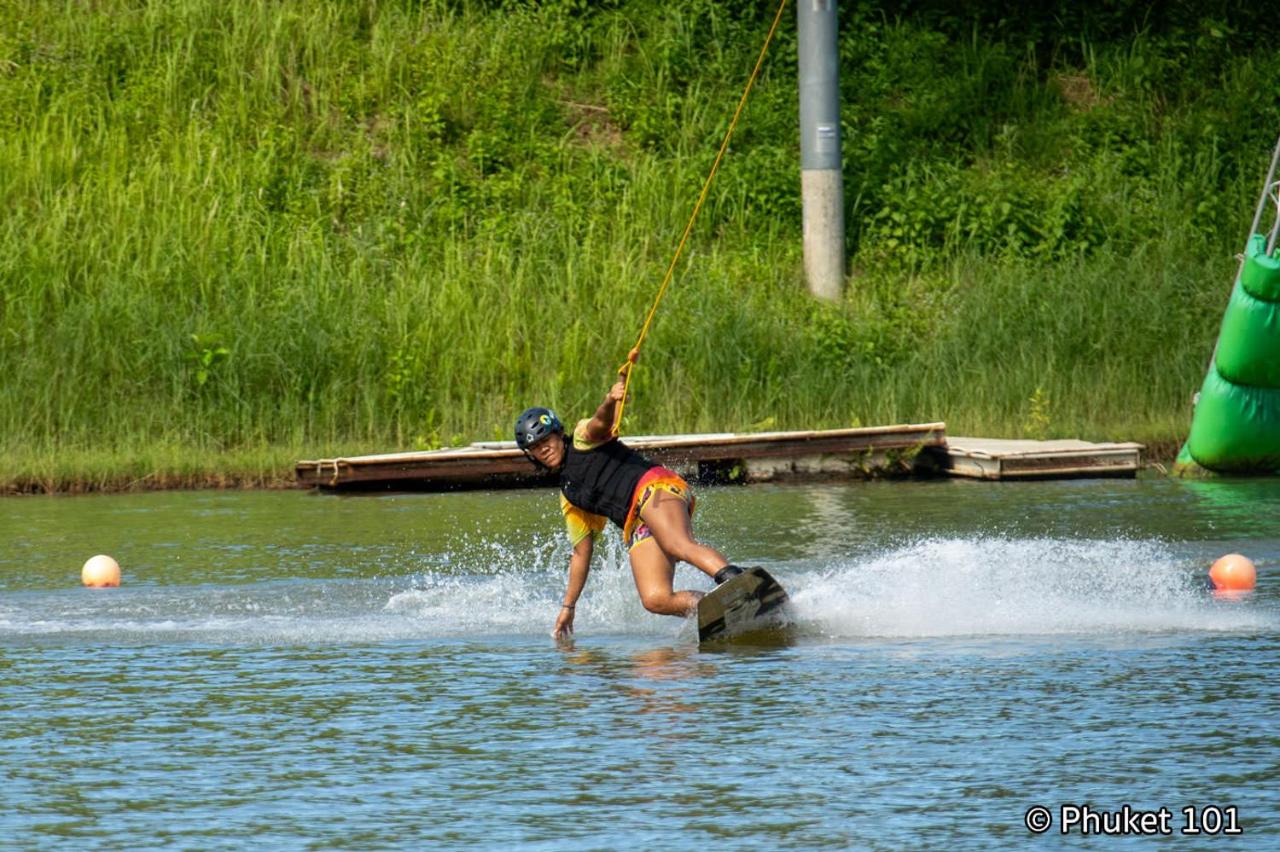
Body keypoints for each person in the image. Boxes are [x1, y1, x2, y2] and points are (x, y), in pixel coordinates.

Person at [515, 373, 746, 640]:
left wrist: (609, 401)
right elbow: (581, 553)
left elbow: (600, 424)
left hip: (656, 488)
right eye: (535, 448)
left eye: (547, 441)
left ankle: (736, 582)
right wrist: (569, 607)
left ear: (558, 434)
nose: (544, 449)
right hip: (638, 522)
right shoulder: (569, 495)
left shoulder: (581, 439)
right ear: (530, 455)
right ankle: (719, 611)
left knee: (676, 544)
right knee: (655, 598)